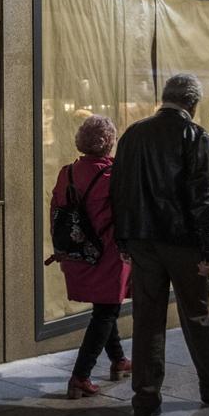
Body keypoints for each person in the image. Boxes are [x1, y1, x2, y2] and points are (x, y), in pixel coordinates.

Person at [111, 73, 209, 416]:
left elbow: (120, 191)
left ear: (165, 98)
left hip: (142, 241)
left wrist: (124, 240)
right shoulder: (196, 136)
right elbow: (202, 198)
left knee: (147, 319)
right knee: (196, 313)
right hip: (183, 242)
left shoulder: (132, 134)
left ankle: (144, 398)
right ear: (193, 103)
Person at [48, 115, 133, 399]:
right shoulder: (114, 175)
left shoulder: (67, 172)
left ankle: (119, 361)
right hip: (107, 255)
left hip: (76, 252)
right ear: (109, 143)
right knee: (107, 311)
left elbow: (56, 210)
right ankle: (80, 376)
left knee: (103, 308)